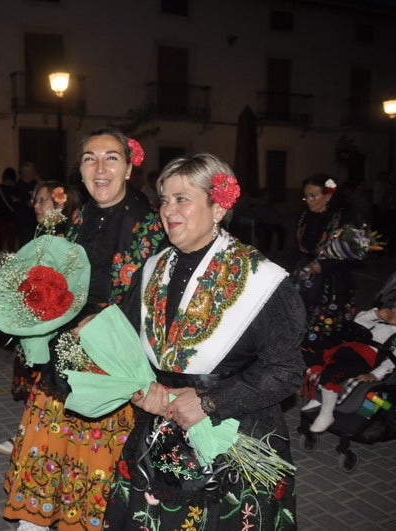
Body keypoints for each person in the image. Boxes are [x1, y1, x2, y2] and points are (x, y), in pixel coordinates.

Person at [104, 153, 305, 530]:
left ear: (219, 207)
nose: (168, 210)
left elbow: (286, 372)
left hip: (233, 437)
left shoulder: (261, 279)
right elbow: (129, 346)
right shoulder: (153, 269)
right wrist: (139, 387)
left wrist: (211, 401)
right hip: (158, 435)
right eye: (164, 200)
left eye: (182, 199)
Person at [3, 129, 167, 531]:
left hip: (112, 360)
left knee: (94, 461)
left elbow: (154, 300)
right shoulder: (79, 217)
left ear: (128, 169)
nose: (100, 167)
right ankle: (34, 521)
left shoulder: (149, 223)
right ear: (80, 170)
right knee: (48, 442)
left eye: (111, 157)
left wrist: (103, 322)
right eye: (90, 158)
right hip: (66, 353)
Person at [0, 180, 81, 456]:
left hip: (55, 326)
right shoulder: (41, 235)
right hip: (35, 322)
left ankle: (30, 439)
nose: (36, 205)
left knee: (46, 386)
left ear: (60, 203)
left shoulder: (68, 240)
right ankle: (31, 435)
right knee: (35, 385)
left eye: (43, 200)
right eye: (35, 200)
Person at [303, 292, 396, 432]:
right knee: (310, 356)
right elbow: (357, 322)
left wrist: (375, 374)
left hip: (364, 360)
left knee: (333, 372)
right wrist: (376, 314)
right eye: (394, 306)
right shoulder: (379, 322)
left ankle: (326, 414)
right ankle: (319, 397)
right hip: (347, 349)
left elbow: (394, 361)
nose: (393, 309)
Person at [292, 174, 356, 345]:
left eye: (313, 196)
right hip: (304, 277)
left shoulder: (344, 219)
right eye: (306, 196)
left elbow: (353, 254)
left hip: (332, 281)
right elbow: (295, 248)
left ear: (328, 196)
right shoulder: (304, 217)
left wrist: (325, 265)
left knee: (325, 330)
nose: (308, 200)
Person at [0, 167, 19, 256]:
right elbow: (17, 204)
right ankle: (11, 260)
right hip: (12, 218)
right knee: (11, 243)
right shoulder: (14, 189)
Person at [15, 162, 39, 246]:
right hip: (24, 223)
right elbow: (21, 204)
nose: (34, 173)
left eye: (33, 171)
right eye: (31, 171)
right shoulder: (18, 186)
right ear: (25, 173)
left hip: (36, 222)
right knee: (25, 245)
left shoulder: (36, 184)